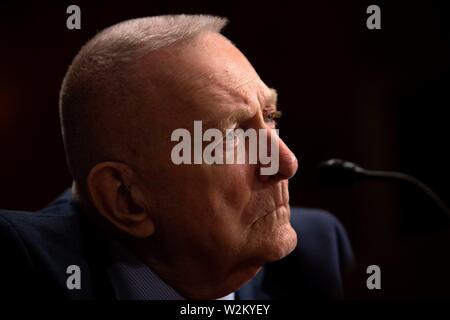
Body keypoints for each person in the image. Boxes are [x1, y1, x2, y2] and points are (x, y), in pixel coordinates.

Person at [0, 15, 353, 300]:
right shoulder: (23, 267)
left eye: (270, 117)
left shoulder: (317, 253)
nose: (287, 163)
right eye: (229, 136)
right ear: (126, 198)